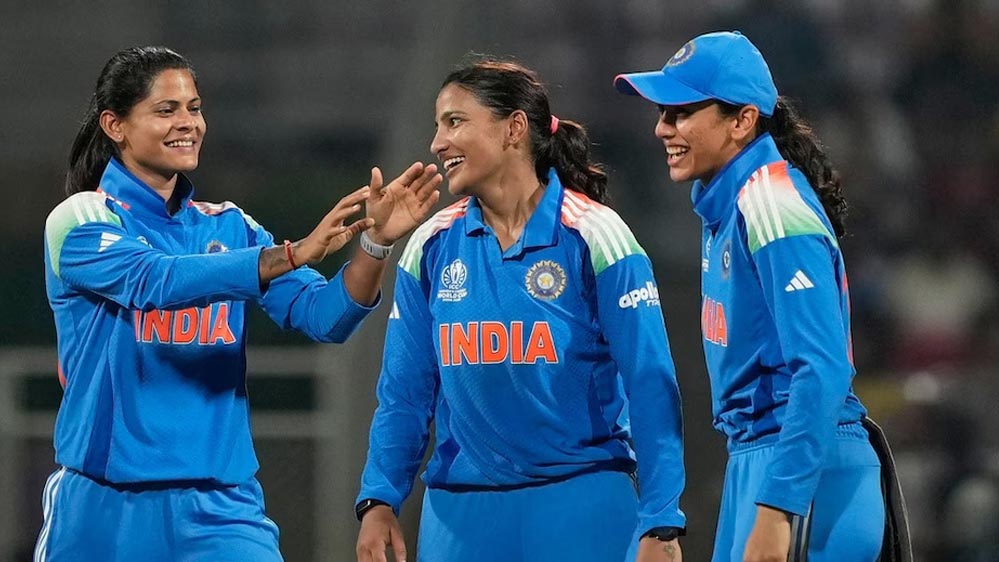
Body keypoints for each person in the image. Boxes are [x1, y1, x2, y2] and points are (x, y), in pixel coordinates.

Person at [37, 46, 441, 562]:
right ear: (115, 125)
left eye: (194, 108)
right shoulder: (81, 218)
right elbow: (151, 279)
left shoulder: (230, 226)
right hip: (103, 507)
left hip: (221, 510)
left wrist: (376, 244)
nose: (188, 123)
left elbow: (325, 316)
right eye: (166, 110)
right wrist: (290, 254)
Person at [354, 59, 686, 562]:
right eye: (437, 125)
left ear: (514, 128)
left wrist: (661, 520)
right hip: (461, 519)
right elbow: (404, 395)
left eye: (455, 121)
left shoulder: (596, 236)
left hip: (583, 505)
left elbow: (650, 383)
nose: (437, 143)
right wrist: (379, 498)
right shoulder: (429, 246)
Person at [615, 31, 891, 562]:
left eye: (681, 112)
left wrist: (778, 507)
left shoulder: (771, 203)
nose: (662, 128)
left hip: (802, 474)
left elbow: (823, 367)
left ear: (742, 121)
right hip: (764, 464)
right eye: (662, 113)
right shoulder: (730, 205)